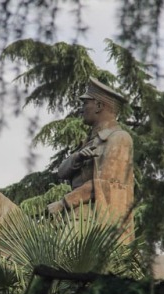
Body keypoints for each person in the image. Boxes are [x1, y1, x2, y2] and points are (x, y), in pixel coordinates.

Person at [47, 77, 134, 244]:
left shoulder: (119, 138)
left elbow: (106, 185)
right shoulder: (92, 141)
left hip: (95, 222)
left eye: (86, 103)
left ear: (100, 106)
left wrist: (63, 203)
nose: (82, 109)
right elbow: (62, 172)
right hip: (78, 216)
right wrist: (77, 157)